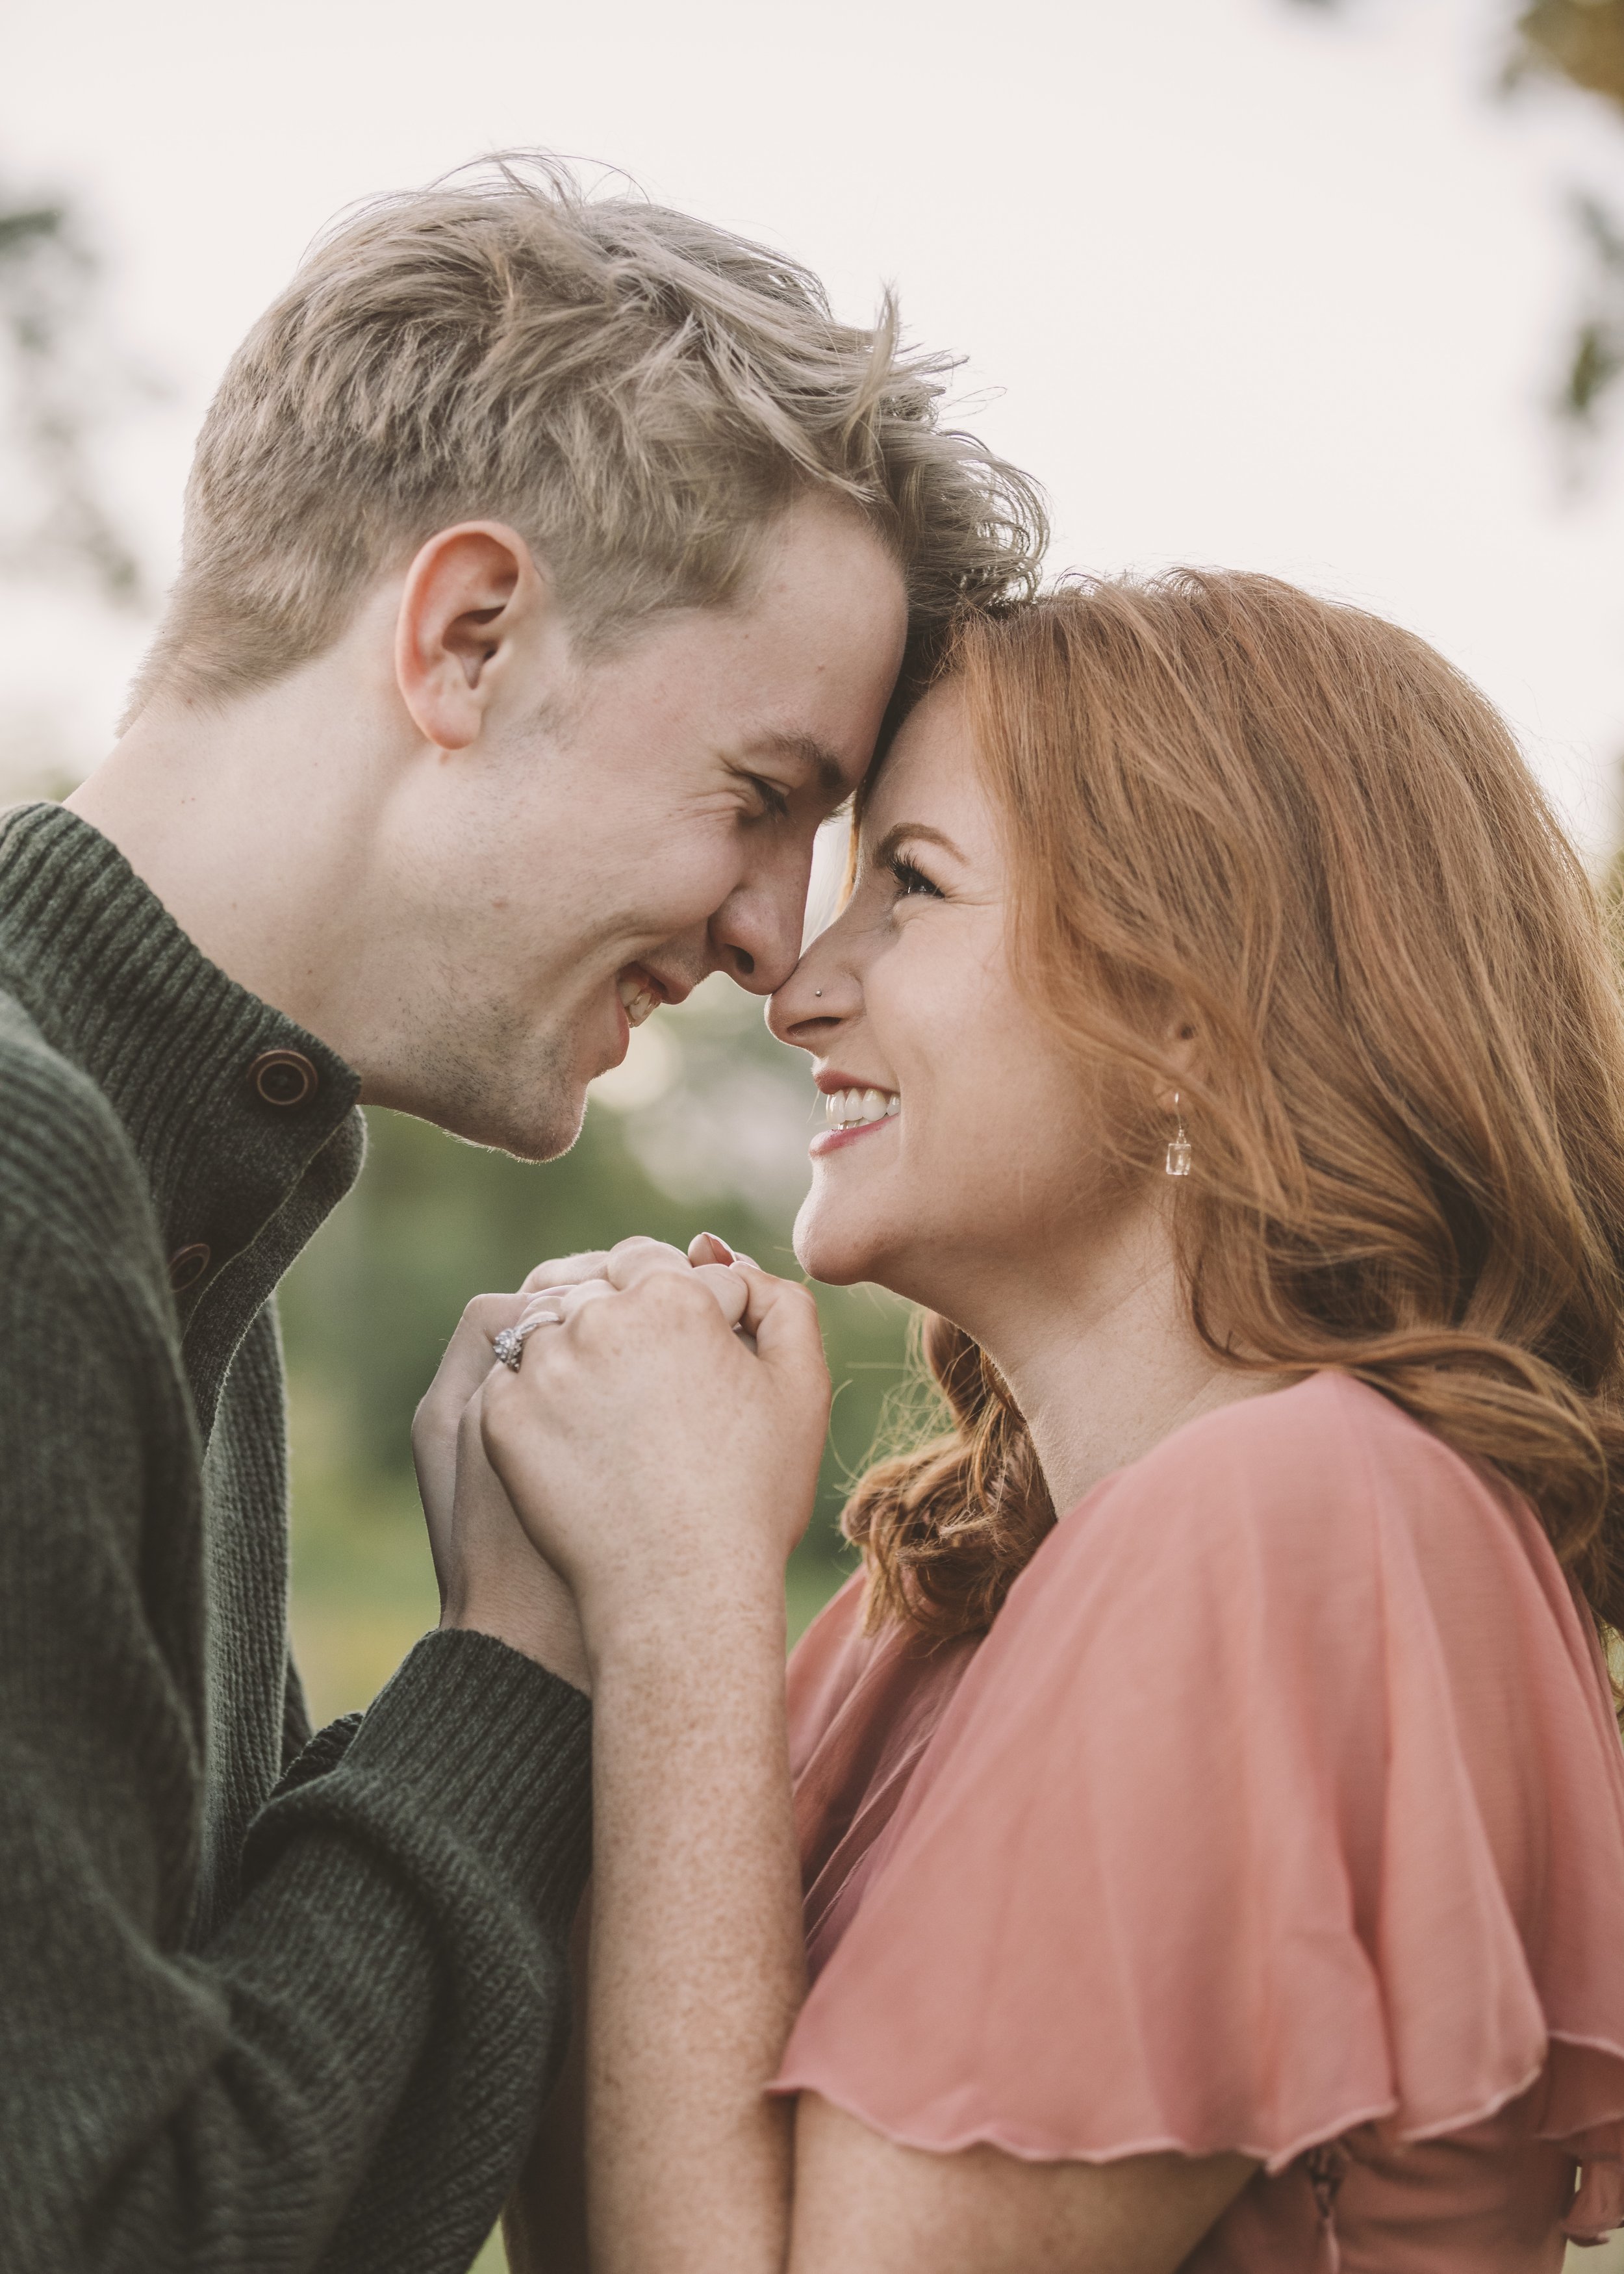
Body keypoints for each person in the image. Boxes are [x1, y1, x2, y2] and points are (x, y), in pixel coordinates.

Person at [0, 153, 1042, 2273]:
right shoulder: (29, 1196)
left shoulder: (180, 1222)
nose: (774, 941)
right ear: (467, 636)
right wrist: (530, 1644)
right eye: (761, 799)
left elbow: (262, 2156)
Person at [476, 570, 1624, 2273]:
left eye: (909, 886)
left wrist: (681, 1593)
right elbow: (615, 2228)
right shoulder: (944, 1599)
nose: (794, 984)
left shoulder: (1290, 1522)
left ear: (1183, 1017)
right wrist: (566, 1604)